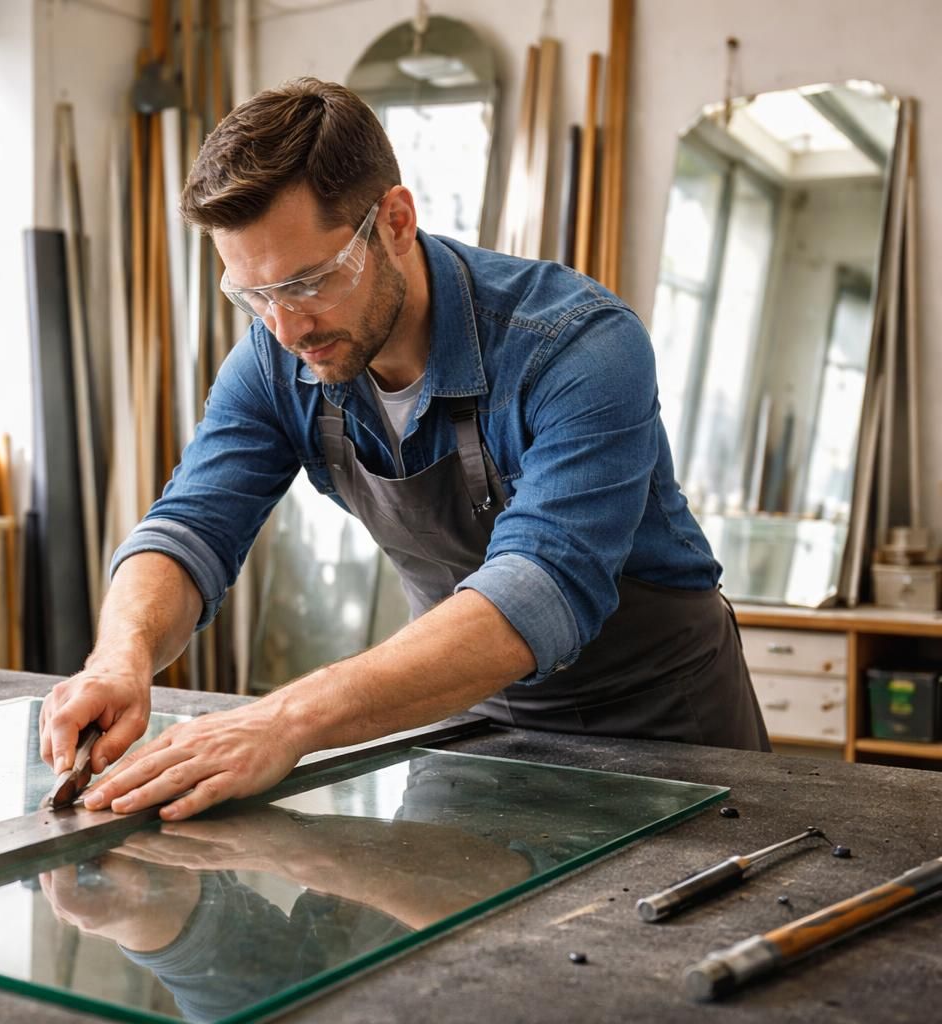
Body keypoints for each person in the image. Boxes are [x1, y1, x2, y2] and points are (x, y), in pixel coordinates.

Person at [39, 77, 768, 824]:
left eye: (310, 282)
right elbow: (190, 526)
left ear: (395, 220)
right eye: (254, 296)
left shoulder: (577, 345)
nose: (286, 329)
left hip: (664, 735)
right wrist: (120, 657)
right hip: (460, 721)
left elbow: (541, 587)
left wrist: (284, 722)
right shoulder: (276, 357)